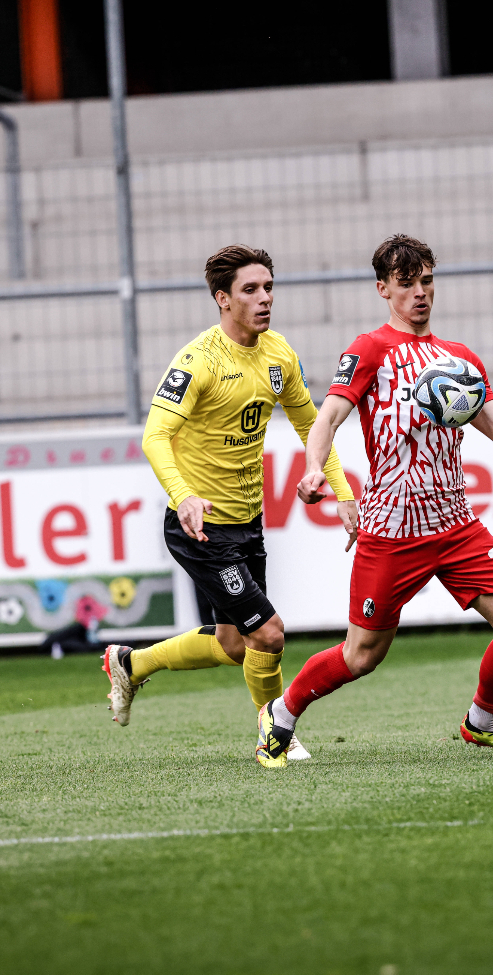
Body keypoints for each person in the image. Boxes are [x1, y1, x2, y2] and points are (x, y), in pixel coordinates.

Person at [255, 234, 493, 768]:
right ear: (383, 289)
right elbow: (327, 416)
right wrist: (313, 470)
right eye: (407, 284)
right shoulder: (369, 349)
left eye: (426, 281)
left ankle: (482, 721)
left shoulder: (460, 359)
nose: (420, 293)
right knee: (362, 656)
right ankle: (279, 717)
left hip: (454, 524)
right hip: (393, 531)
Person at [102, 244, 358, 763]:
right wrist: (185, 495)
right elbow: (155, 436)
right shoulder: (198, 362)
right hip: (199, 526)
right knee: (268, 632)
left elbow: (314, 425)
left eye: (268, 288)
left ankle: (130, 664)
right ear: (222, 299)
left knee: (234, 645)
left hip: (247, 522)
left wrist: (340, 488)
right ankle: (275, 735)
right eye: (250, 290)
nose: (265, 299)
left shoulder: (278, 354)